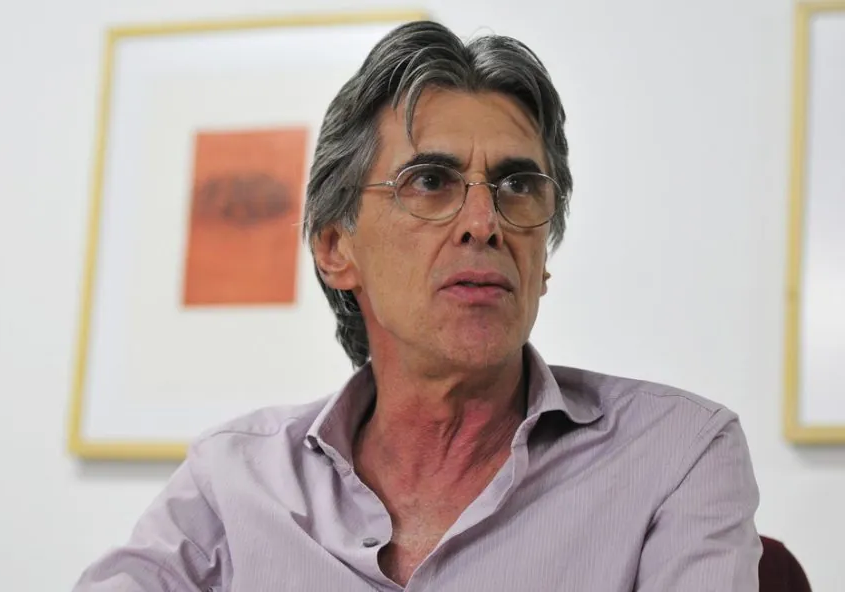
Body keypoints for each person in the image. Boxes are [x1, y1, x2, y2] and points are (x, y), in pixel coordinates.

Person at [73, 20, 762, 591]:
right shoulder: (235, 479)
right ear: (336, 247)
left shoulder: (677, 455)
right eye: (430, 182)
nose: (484, 223)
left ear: (544, 256)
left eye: (518, 186)